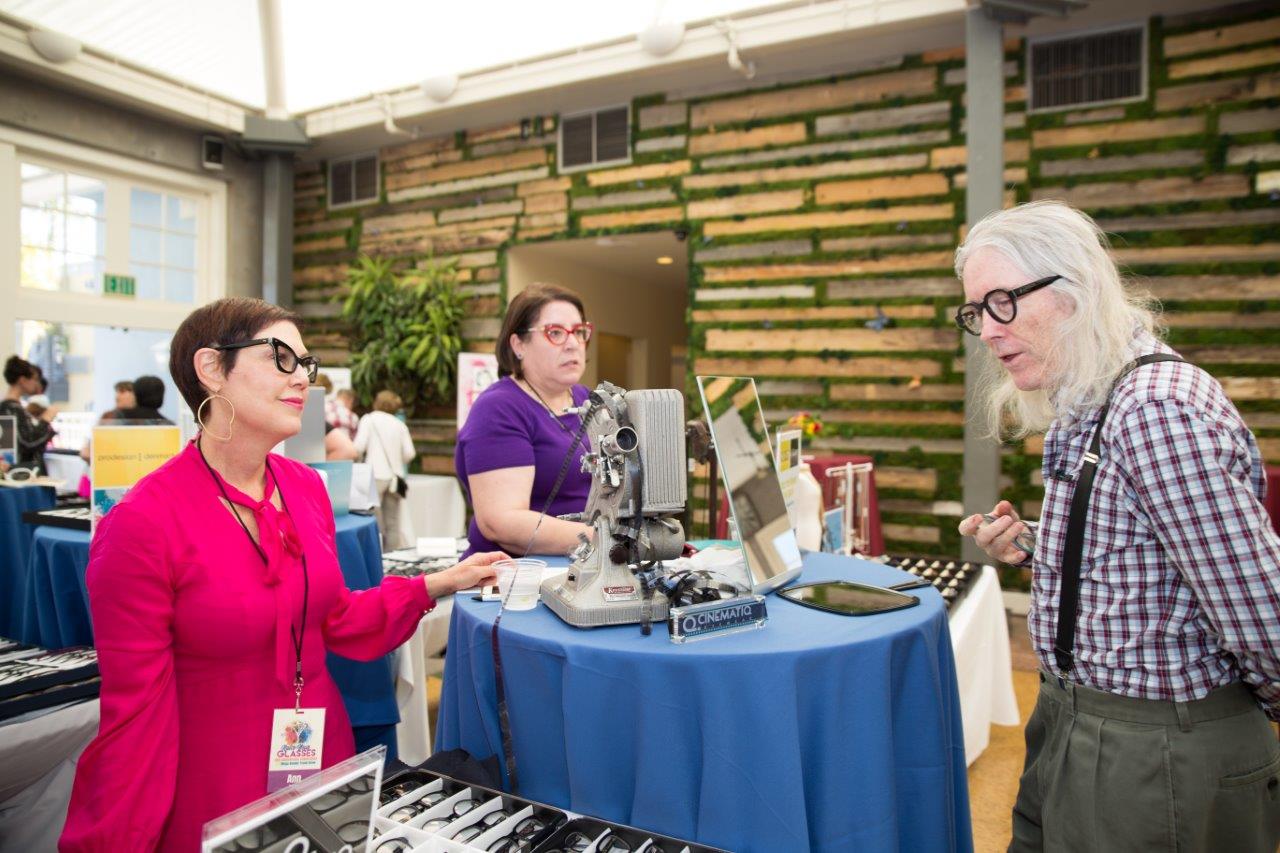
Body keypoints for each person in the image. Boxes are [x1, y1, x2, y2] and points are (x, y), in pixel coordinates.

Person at [59, 297, 505, 852]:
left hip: (319, 757)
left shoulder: (304, 487)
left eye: (306, 364)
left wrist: (439, 582)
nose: (302, 380)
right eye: (280, 358)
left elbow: (335, 618)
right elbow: (134, 717)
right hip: (211, 786)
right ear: (211, 368)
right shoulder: (142, 524)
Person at [954, 201, 1280, 853]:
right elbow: (1139, 557)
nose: (988, 331)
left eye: (1001, 302)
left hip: (1153, 751)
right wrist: (1032, 545)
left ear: (1073, 289)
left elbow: (1265, 618)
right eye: (975, 311)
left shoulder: (1152, 410)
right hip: (1082, 725)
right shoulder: (1095, 399)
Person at [455, 284, 595, 557]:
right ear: (518, 344)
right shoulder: (499, 408)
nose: (572, 343)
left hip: (586, 565)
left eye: (579, 332)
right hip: (516, 578)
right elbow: (502, 523)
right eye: (555, 333)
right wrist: (609, 541)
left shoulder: (587, 398)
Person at [353, 390, 415, 550]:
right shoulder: (399, 424)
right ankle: (391, 556)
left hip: (374, 475)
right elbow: (410, 453)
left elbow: (358, 447)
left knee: (374, 519)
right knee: (393, 521)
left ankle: (377, 556)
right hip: (395, 478)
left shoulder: (369, 419)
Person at [1, 355, 57, 473]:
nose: (36, 384)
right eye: (34, 379)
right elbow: (28, 442)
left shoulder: (10, 409)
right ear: (22, 380)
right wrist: (46, 419)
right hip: (23, 476)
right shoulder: (12, 410)